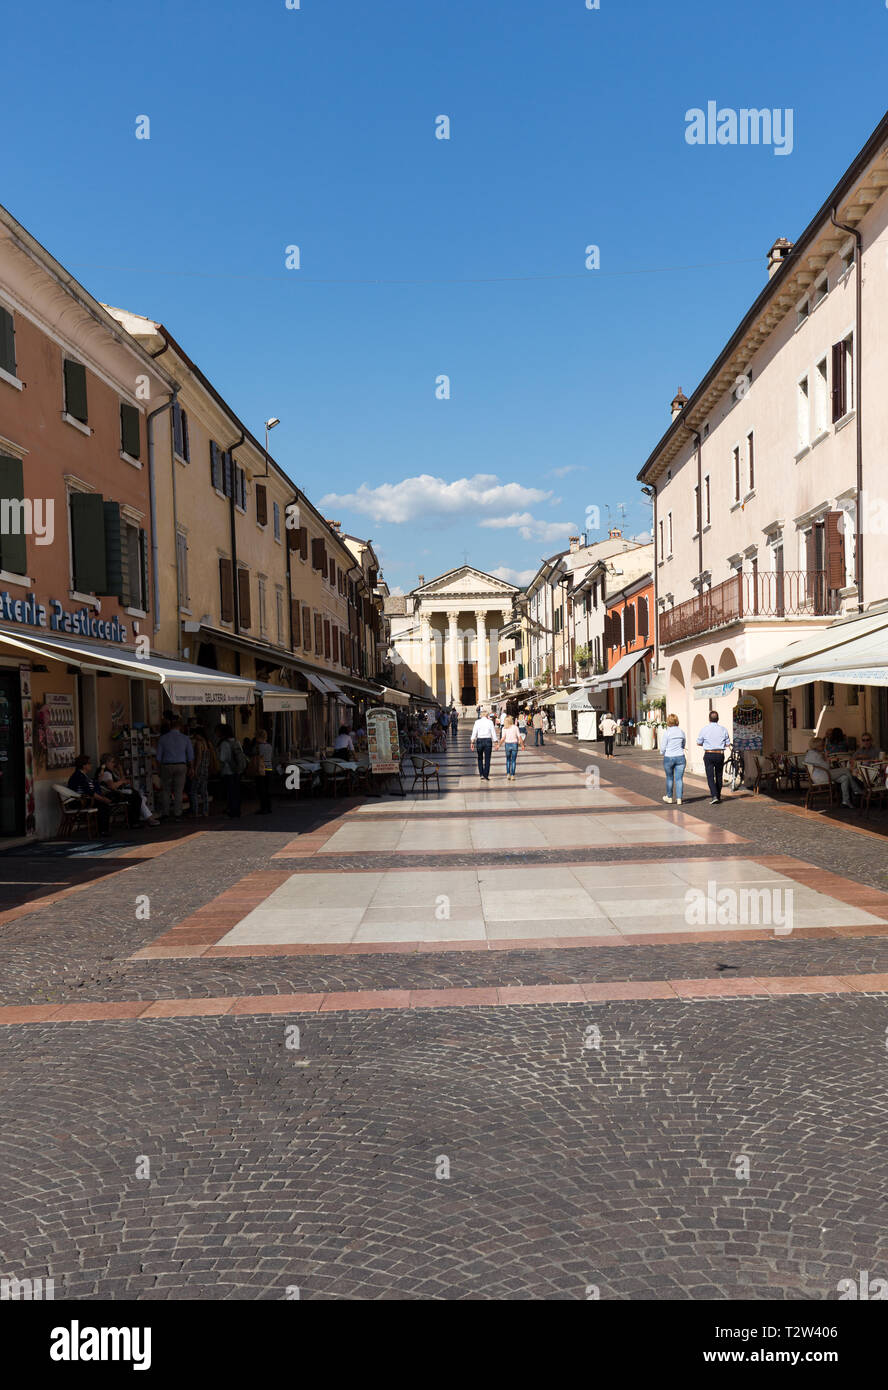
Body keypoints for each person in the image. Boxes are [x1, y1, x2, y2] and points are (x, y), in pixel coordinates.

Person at [154, 713, 194, 822]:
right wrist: (191, 768)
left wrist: (158, 769)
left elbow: (158, 757)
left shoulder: (163, 738)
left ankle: (165, 813)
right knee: (178, 791)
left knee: (166, 790)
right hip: (181, 765)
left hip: (166, 766)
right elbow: (190, 756)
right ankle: (178, 814)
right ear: (180, 727)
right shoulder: (185, 738)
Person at [99, 754, 155, 827]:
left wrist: (120, 770)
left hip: (117, 792)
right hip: (113, 794)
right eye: (112, 762)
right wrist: (122, 782)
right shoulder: (106, 773)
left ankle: (143, 818)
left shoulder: (111, 771)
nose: (114, 764)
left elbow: (122, 780)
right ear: (106, 763)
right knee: (136, 798)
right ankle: (137, 821)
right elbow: (112, 786)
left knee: (140, 798)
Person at [805, 737, 858, 809]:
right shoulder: (816, 755)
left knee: (844, 778)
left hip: (818, 776)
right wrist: (826, 758)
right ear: (817, 746)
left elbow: (822, 765)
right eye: (822, 745)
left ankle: (846, 801)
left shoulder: (810, 753)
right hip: (823, 776)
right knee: (846, 770)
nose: (823, 747)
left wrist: (825, 758)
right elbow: (827, 767)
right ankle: (856, 789)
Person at [67, 754, 114, 835]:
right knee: (102, 805)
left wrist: (99, 780)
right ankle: (102, 831)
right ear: (84, 765)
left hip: (86, 799)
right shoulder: (79, 776)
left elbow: (93, 785)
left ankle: (104, 830)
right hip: (79, 802)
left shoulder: (83, 775)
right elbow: (90, 792)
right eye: (89, 763)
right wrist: (103, 799)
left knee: (107, 800)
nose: (91, 765)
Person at [696, 709, 731, 804]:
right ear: (718, 719)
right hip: (720, 754)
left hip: (709, 754)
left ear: (709, 719)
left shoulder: (704, 729)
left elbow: (698, 742)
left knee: (710, 776)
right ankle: (718, 796)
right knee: (719, 775)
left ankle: (714, 795)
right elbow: (728, 744)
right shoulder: (723, 729)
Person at [215, 723, 246, 818]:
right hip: (238, 770)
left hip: (228, 770)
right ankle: (237, 810)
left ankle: (232, 811)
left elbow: (222, 758)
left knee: (230, 792)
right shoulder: (236, 741)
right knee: (236, 791)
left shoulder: (224, 743)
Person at [660, 714, 687, 805]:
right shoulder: (681, 732)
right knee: (679, 779)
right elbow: (683, 744)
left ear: (668, 722)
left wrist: (662, 753)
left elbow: (663, 747)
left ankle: (669, 797)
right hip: (680, 757)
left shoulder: (667, 733)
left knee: (669, 778)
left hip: (669, 757)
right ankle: (679, 798)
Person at [190, 729, 211, 818]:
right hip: (205, 769)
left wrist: (195, 769)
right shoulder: (207, 743)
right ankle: (205, 811)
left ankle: (195, 811)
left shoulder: (199, 743)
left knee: (193, 791)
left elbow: (198, 757)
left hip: (200, 769)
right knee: (204, 791)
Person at [471, 708, 496, 780]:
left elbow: (474, 732)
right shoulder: (490, 722)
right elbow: (493, 732)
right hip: (488, 740)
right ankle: (486, 775)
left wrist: (472, 742)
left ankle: (481, 774)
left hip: (479, 740)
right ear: (487, 715)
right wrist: (496, 742)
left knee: (480, 758)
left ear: (481, 715)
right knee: (487, 759)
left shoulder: (477, 722)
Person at [497, 714, 524, 781]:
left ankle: (508, 774)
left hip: (507, 745)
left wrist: (498, 745)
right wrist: (522, 745)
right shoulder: (515, 727)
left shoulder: (504, 728)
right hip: (514, 744)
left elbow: (503, 738)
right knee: (514, 761)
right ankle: (512, 775)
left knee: (508, 760)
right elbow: (519, 737)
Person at [254, 727, 274, 815]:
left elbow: (255, 756)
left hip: (261, 769)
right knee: (267, 789)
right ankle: (269, 807)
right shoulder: (269, 746)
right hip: (269, 768)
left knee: (261, 789)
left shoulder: (258, 747)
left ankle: (263, 808)